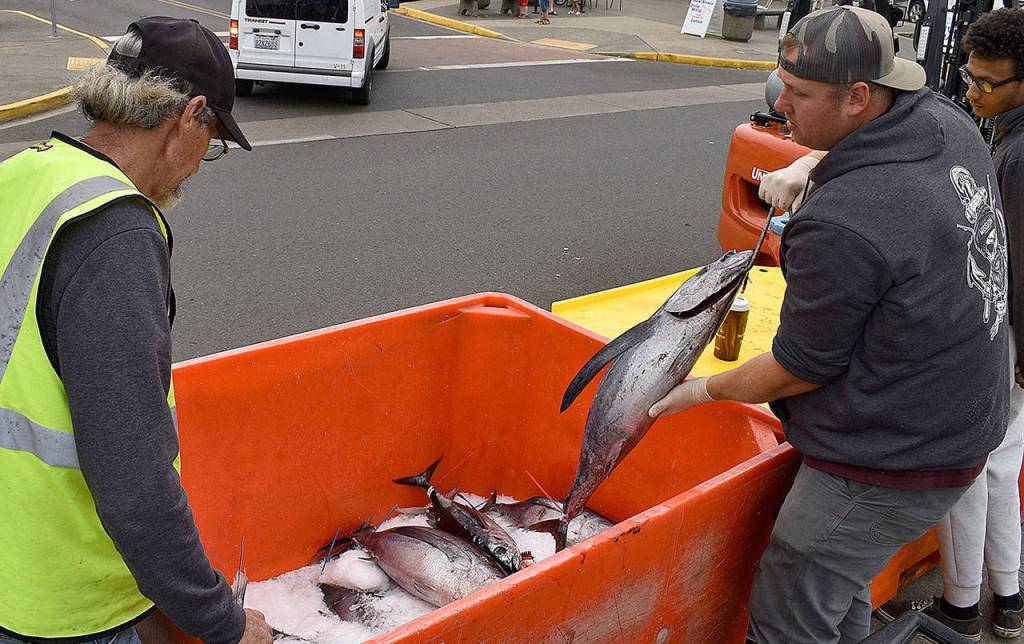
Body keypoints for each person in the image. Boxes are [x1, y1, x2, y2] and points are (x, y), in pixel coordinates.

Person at [649, 6, 1010, 643]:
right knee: (837, 592)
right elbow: (885, 158)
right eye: (781, 84)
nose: (778, 104)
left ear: (859, 96)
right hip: (968, 410)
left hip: (896, 456)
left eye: (801, 94)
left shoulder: (842, 222)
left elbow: (799, 368)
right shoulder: (945, 119)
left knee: (793, 604)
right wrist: (812, 160)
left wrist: (703, 391)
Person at [0, 17, 273, 644]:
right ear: (190, 115)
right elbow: (135, 486)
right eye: (213, 144)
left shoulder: (26, 174)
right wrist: (223, 622)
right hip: (66, 610)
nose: (201, 167)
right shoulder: (115, 233)